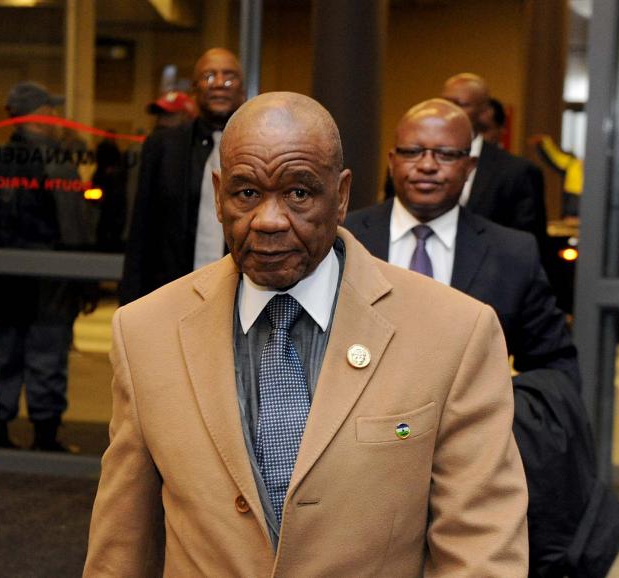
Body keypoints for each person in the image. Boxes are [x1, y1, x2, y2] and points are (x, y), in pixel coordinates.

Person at [84, 92, 528, 575]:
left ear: (340, 196)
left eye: (298, 193)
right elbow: (122, 542)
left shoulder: (454, 332)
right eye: (247, 192)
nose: (269, 220)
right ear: (218, 195)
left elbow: (481, 545)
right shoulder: (146, 332)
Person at [345, 99, 581, 388]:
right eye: (413, 152)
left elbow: (556, 368)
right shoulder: (344, 239)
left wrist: (489, 416)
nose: (428, 165)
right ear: (393, 161)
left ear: (469, 167)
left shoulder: (512, 255)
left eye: (445, 154)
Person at [0, 81, 85, 452]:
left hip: (4, 279)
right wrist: (81, 281)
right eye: (51, 110)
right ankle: (45, 436)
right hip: (49, 281)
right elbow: (73, 226)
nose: (56, 118)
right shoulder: (57, 161)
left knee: (2, 355)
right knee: (47, 357)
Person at [119, 47, 246, 304]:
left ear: (242, 89)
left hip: (243, 296)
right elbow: (141, 229)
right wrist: (131, 300)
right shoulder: (163, 146)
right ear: (195, 88)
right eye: (209, 76)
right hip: (174, 294)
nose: (220, 84)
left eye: (229, 77)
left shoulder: (261, 146)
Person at [440, 73, 548, 245]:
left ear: (484, 112)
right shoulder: (410, 162)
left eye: (460, 104)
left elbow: (528, 244)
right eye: (445, 103)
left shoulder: (516, 171)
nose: (450, 111)